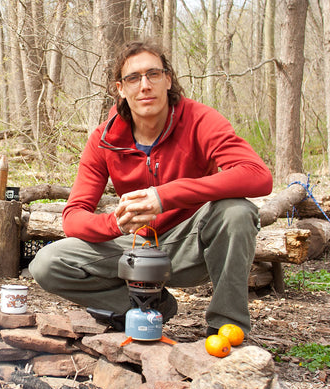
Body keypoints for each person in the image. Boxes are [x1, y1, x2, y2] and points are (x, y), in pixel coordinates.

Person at [29, 39, 273, 336]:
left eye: (153, 74)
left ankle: (227, 329)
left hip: (191, 242)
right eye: (133, 78)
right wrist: (116, 222)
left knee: (237, 211)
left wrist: (164, 196)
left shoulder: (200, 120)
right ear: (120, 88)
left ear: (168, 80)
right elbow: (73, 216)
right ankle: (147, 306)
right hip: (134, 246)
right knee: (47, 263)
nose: (144, 85)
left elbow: (257, 175)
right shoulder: (104, 139)